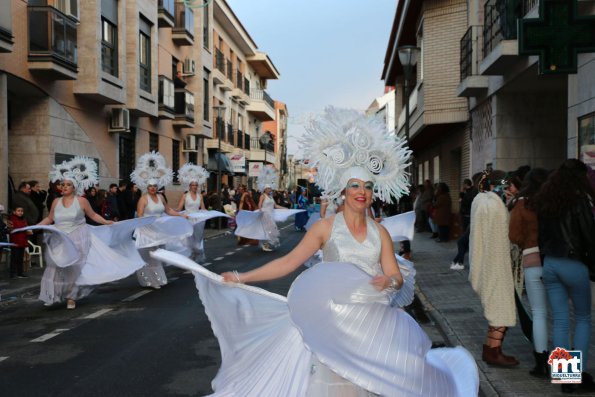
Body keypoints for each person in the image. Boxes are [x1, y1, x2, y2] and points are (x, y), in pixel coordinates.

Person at [155, 107, 478, 396]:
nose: (361, 192)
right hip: (332, 323)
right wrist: (241, 275)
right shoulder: (325, 227)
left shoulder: (379, 231)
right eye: (354, 185)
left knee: (376, 384)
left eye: (366, 186)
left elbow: (395, 276)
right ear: (342, 189)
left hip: (373, 324)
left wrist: (388, 283)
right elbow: (288, 263)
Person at [535, 159, 595, 393]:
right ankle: (576, 377)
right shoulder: (580, 201)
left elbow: (540, 236)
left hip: (550, 263)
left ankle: (565, 378)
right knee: (582, 318)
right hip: (573, 263)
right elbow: (590, 236)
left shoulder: (546, 200)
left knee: (560, 320)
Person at [38, 158, 114, 309]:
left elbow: (92, 215)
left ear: (74, 187)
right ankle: (53, 295)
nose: (64, 187)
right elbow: (49, 218)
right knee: (56, 266)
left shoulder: (82, 201)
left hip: (77, 236)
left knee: (74, 267)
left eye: (68, 185)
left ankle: (71, 297)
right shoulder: (55, 201)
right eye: (63, 184)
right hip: (59, 238)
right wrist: (35, 226)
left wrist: (106, 222)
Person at [469, 170, 519, 367]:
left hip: (486, 263)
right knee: (501, 306)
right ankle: (493, 351)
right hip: (498, 262)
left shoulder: (480, 201)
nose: (506, 188)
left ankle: (491, 348)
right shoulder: (493, 204)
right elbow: (503, 235)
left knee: (498, 306)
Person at [508, 167, 550, 378]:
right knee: (563, 318)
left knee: (539, 313)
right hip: (560, 260)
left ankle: (541, 363)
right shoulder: (555, 200)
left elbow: (514, 234)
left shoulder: (523, 203)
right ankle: (568, 375)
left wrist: (527, 244)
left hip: (532, 259)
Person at [131, 151, 189, 289]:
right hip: (146, 230)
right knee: (149, 256)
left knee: (157, 255)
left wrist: (181, 215)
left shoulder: (161, 197)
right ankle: (150, 280)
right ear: (147, 187)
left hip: (158, 230)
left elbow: (168, 210)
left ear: (157, 187)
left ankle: (156, 279)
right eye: (150, 186)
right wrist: (147, 225)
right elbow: (139, 215)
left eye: (155, 186)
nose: (152, 188)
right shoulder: (143, 199)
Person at [175, 163, 209, 261]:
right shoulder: (185, 196)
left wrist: (208, 212)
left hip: (198, 221)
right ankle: (189, 256)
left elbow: (202, 208)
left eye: (196, 185)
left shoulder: (200, 196)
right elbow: (179, 208)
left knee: (197, 239)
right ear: (189, 186)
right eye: (193, 185)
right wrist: (172, 211)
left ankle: (195, 254)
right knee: (189, 238)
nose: (194, 187)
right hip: (188, 219)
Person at [256, 168, 286, 252]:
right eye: (268, 188)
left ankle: (266, 245)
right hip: (265, 214)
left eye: (270, 188)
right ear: (265, 189)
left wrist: (285, 208)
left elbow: (275, 205)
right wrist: (260, 210)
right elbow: (259, 204)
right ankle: (265, 245)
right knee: (267, 230)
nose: (270, 189)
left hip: (270, 214)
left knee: (271, 229)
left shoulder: (271, 197)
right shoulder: (263, 196)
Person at [9, 206, 32, 278]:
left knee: (20, 258)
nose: (20, 212)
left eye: (22, 211)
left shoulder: (24, 220)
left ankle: (20, 273)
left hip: (22, 242)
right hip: (15, 242)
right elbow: (10, 230)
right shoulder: (11, 220)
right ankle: (13, 274)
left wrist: (29, 232)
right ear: (14, 212)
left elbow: (26, 230)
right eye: (18, 211)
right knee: (14, 258)